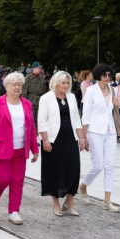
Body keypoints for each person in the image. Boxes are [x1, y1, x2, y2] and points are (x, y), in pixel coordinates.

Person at [0, 72, 39, 225]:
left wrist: (35, 148)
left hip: (21, 148)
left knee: (18, 180)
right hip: (0, 149)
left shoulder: (26, 103)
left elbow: (31, 127)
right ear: (6, 87)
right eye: (14, 85)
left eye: (19, 84)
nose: (17, 87)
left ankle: (14, 211)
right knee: (4, 178)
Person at [38, 71, 85, 216]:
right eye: (63, 83)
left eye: (67, 83)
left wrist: (81, 138)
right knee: (54, 170)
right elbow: (42, 121)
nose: (65, 85)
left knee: (73, 170)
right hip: (53, 140)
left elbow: (77, 119)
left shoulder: (71, 97)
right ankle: (55, 203)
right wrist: (45, 140)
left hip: (70, 138)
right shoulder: (46, 98)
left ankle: (69, 202)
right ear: (55, 83)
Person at [79, 63, 120, 212]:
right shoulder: (91, 91)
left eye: (109, 75)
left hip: (111, 131)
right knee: (98, 165)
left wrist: (117, 104)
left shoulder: (113, 90)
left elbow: (115, 108)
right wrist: (83, 137)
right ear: (98, 76)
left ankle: (107, 200)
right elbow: (86, 115)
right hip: (95, 131)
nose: (107, 78)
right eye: (104, 75)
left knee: (110, 165)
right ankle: (83, 186)